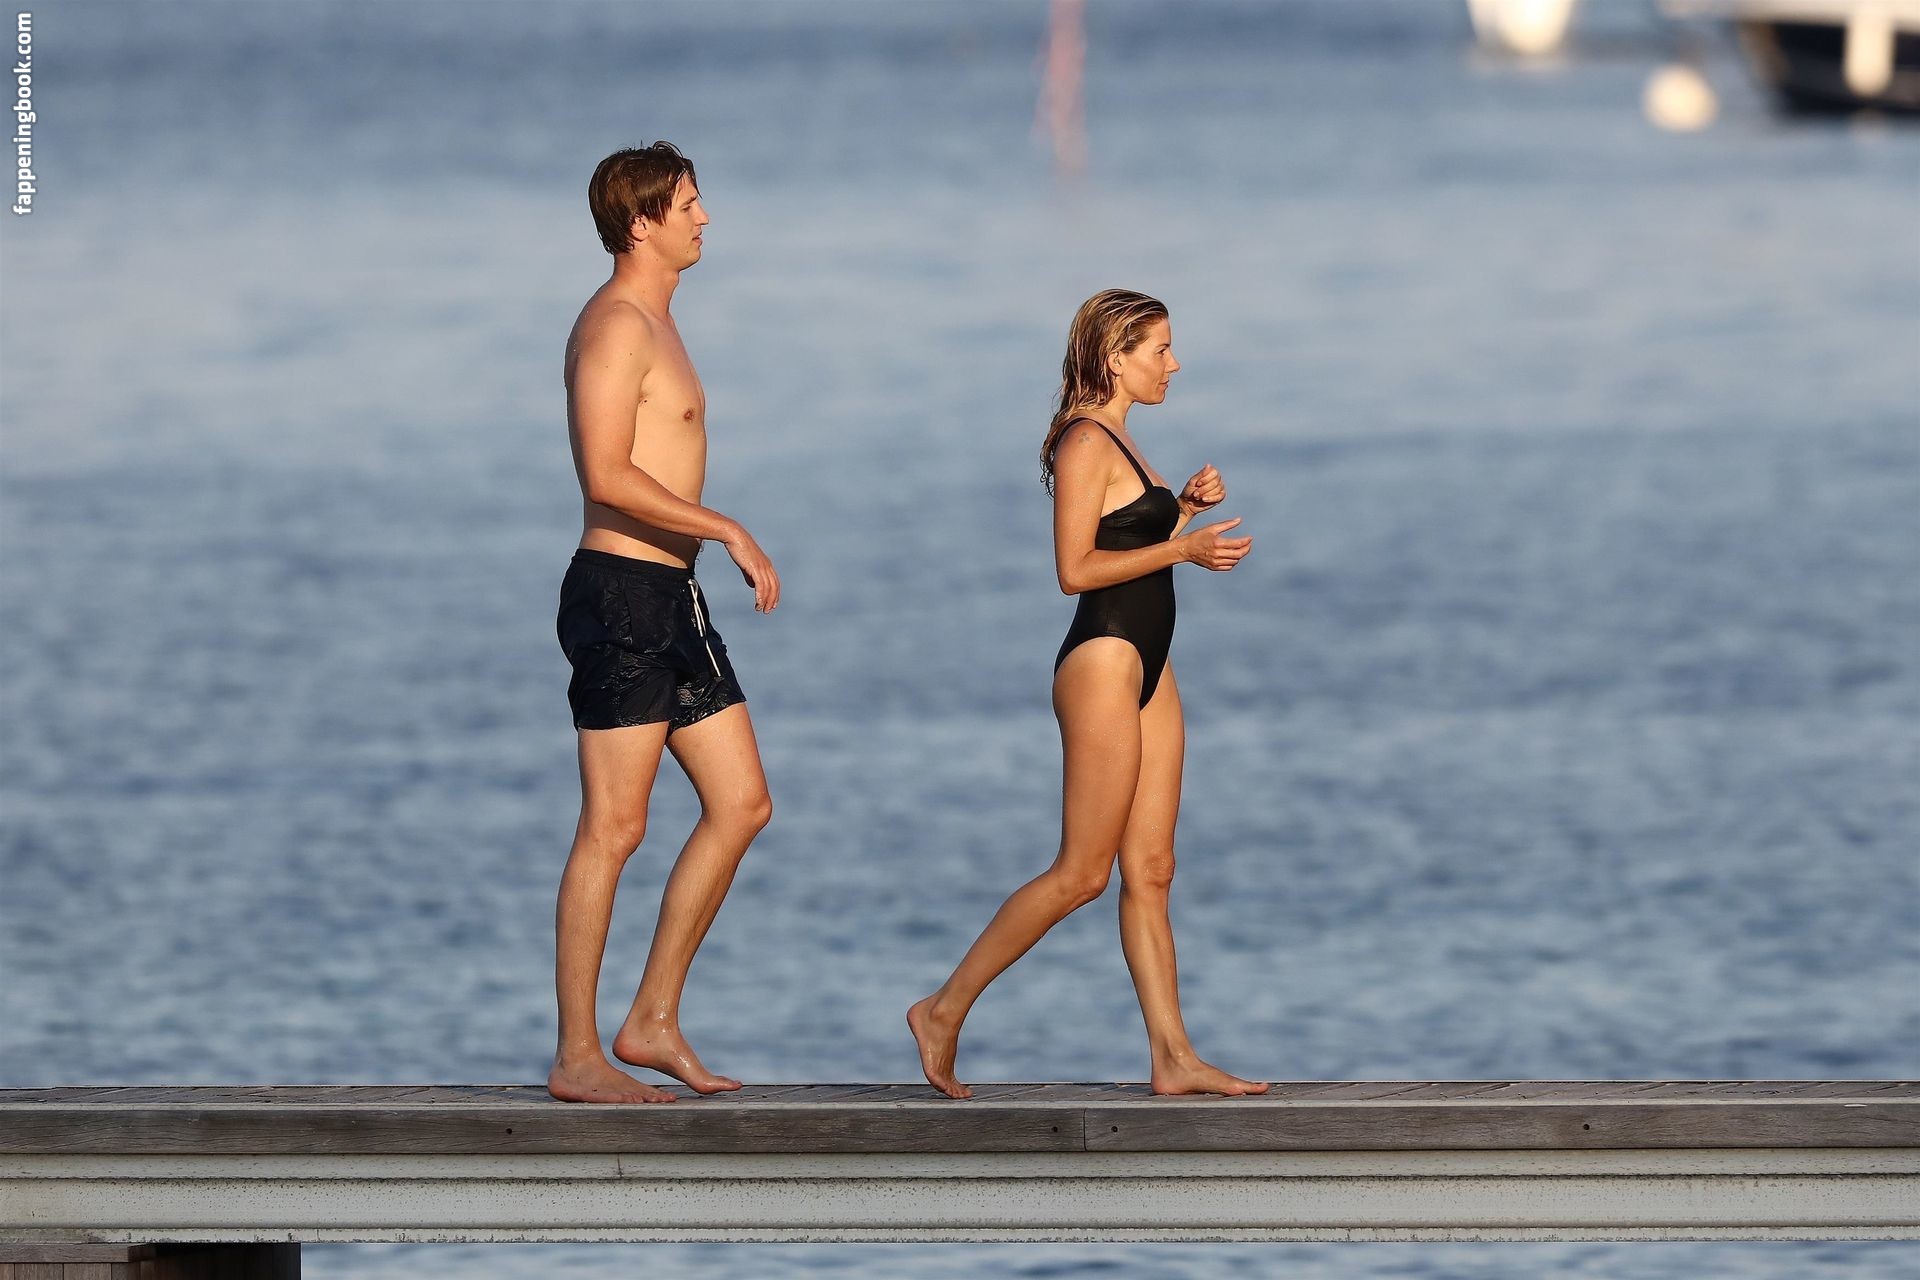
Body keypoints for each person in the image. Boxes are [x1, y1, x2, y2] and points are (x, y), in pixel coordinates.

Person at [909, 289, 1268, 1099]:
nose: (1174, 365)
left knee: (1154, 867)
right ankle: (941, 1010)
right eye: (1160, 350)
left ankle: (1173, 1057)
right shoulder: (1083, 441)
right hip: (1103, 660)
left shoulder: (1120, 435)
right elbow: (1074, 570)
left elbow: (1124, 535)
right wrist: (1183, 550)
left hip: (1150, 663)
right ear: (1116, 357)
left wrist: (1182, 509)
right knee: (1082, 873)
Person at [548, 143, 780, 1104]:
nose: (704, 217)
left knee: (742, 803)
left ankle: (650, 1020)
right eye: (688, 203)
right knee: (614, 826)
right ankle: (577, 1056)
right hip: (621, 596)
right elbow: (605, 473)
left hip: (673, 598)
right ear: (641, 223)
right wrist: (725, 526)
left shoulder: (660, 321)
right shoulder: (615, 326)